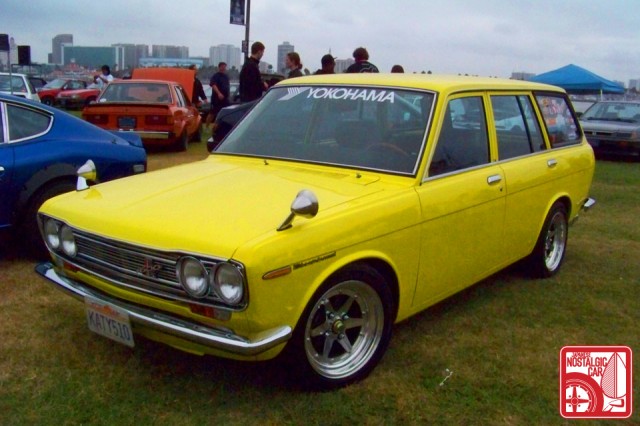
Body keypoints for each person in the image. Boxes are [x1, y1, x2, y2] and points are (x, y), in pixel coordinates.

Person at [207, 62, 230, 126]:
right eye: (222, 67)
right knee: (212, 113)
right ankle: (207, 126)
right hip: (216, 98)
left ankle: (221, 125)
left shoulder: (226, 77)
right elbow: (213, 85)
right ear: (219, 67)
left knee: (225, 112)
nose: (223, 68)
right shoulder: (216, 76)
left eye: (224, 67)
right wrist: (219, 93)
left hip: (225, 99)